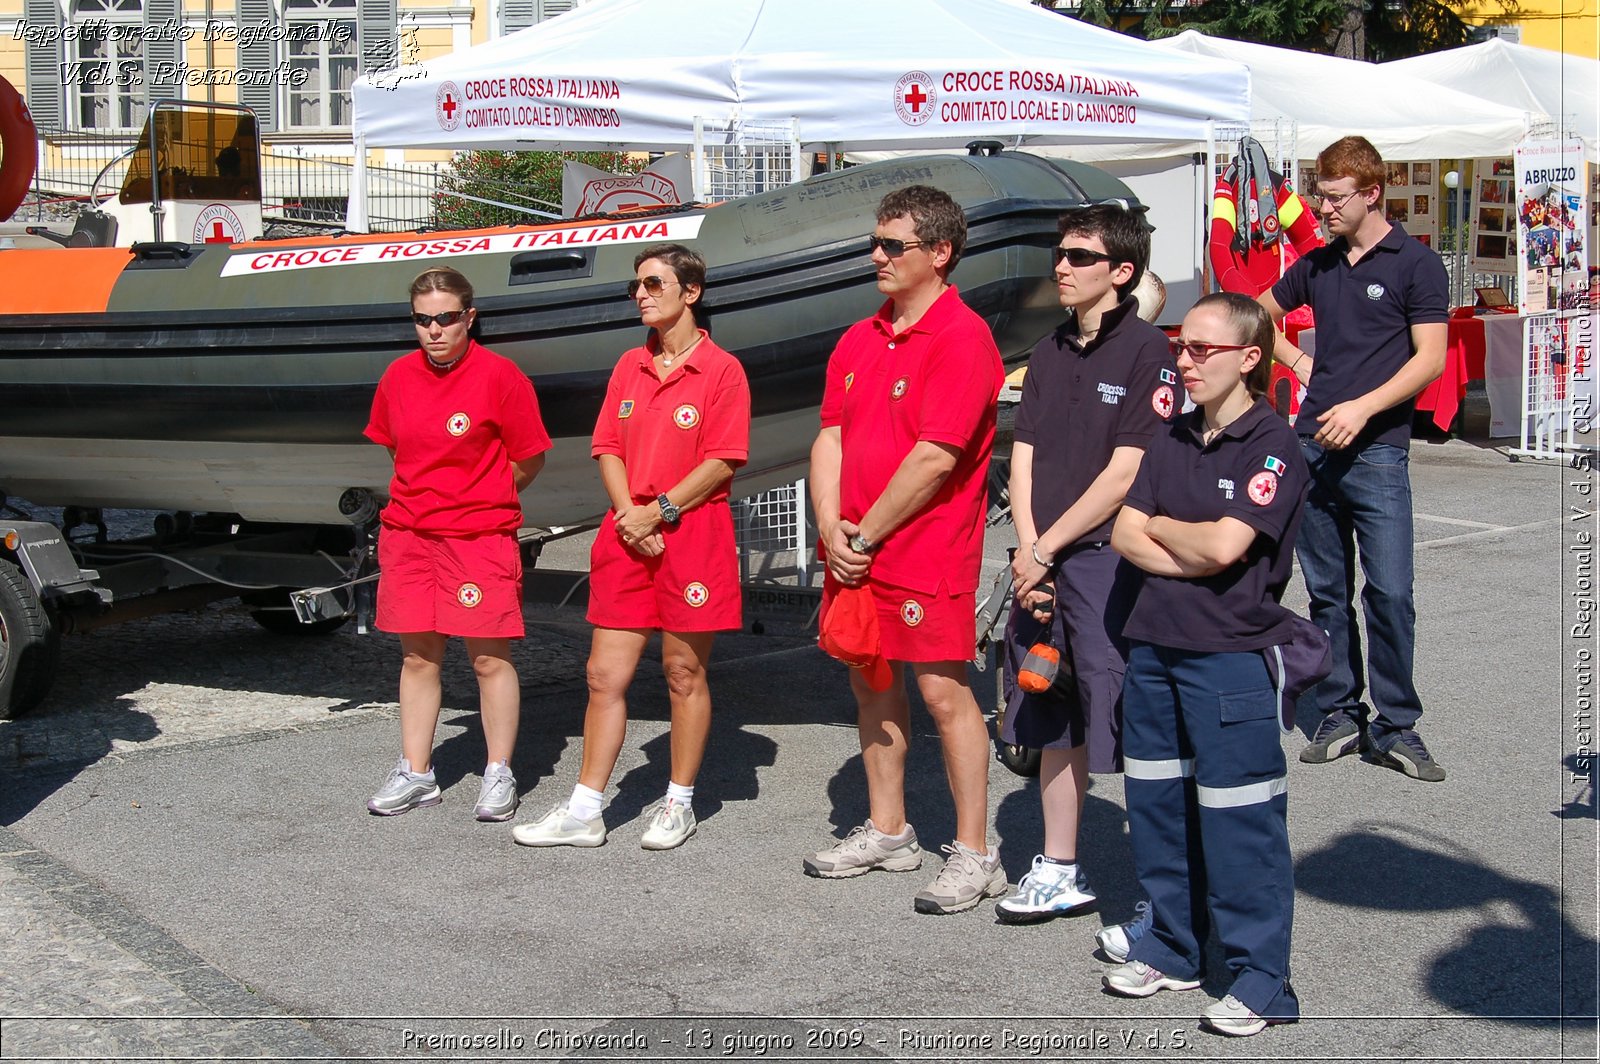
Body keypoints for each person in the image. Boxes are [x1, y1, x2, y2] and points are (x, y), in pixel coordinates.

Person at [1106, 292, 1310, 1038]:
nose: (1183, 362)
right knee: (1157, 809)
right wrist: (1179, 536)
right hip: (1154, 649)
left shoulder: (1271, 443)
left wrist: (1167, 531)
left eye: (1201, 350)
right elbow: (1125, 533)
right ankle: (1173, 946)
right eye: (1180, 347)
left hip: (1228, 659)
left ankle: (1262, 980)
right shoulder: (1170, 438)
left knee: (1239, 821)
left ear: (1250, 358)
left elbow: (1229, 549)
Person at [802, 185, 1006, 915]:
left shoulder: (962, 337)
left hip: (926, 549)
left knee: (944, 694)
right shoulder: (860, 337)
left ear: (941, 253)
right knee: (871, 679)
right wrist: (831, 525)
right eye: (876, 242)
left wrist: (859, 533)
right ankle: (889, 830)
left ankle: (976, 853)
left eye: (894, 245)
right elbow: (829, 435)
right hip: (856, 546)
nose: (877, 256)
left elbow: (934, 459)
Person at [512, 243, 750, 852]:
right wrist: (629, 516)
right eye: (635, 286)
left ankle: (678, 802)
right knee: (602, 675)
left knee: (682, 672)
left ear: (690, 292)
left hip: (690, 532)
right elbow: (607, 447)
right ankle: (586, 809)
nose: (640, 294)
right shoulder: (628, 365)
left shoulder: (722, 369)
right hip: (627, 533)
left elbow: (722, 461)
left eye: (652, 283)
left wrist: (659, 510)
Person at [995, 205, 1177, 929]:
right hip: (1043, 564)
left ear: (1122, 272)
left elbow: (1126, 471)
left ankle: (1166, 893)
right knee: (1049, 711)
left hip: (1105, 563)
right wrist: (1031, 551)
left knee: (1134, 723)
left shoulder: (1148, 354)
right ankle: (1061, 868)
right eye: (1059, 254)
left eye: (1078, 256)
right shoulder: (1048, 352)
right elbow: (1025, 456)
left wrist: (1045, 549)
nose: (1061, 267)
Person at [1257, 135, 1448, 782]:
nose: (1322, 209)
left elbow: (1430, 358)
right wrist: (1301, 362)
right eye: (1320, 195)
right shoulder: (1318, 263)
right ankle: (1340, 709)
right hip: (1313, 447)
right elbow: (1256, 315)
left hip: (1378, 453)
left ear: (1372, 193)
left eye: (1335, 198)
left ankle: (1396, 725)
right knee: (1328, 594)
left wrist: (1363, 408)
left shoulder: (1416, 264)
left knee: (1391, 593)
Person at [364, 266, 551, 820]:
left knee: (489, 659)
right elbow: (396, 450)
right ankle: (416, 772)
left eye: (446, 318)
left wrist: (481, 495)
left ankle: (498, 773)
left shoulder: (500, 376)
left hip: (478, 538)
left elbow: (530, 457)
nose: (435, 330)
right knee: (419, 656)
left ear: (470, 317)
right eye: (423, 320)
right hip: (410, 535)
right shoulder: (397, 377)